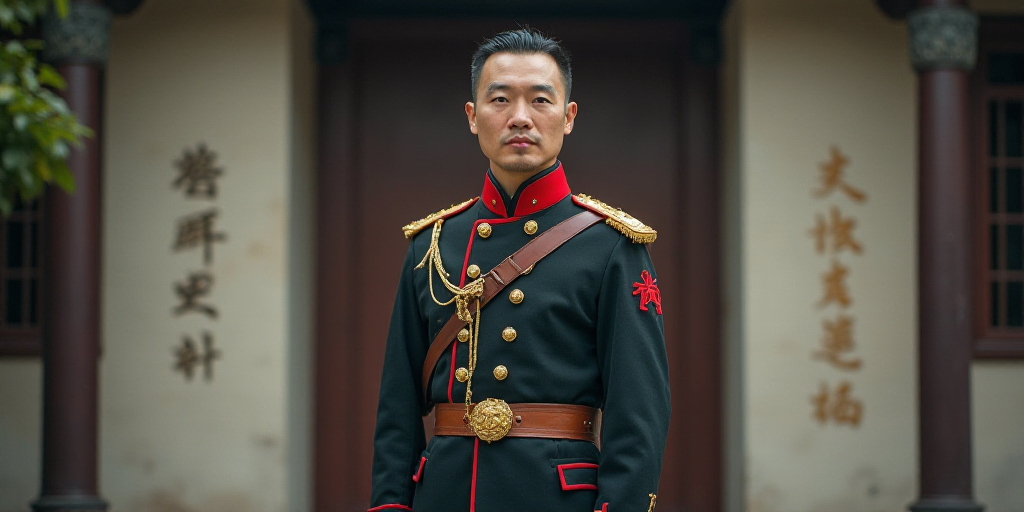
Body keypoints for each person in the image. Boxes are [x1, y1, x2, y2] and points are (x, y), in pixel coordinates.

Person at [369, 28, 670, 512]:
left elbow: (639, 412)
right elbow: (397, 409)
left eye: (541, 101)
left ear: (569, 117)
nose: (520, 118)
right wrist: (390, 504)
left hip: (555, 497)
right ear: (472, 116)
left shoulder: (611, 247)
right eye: (500, 100)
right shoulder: (432, 246)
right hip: (444, 494)